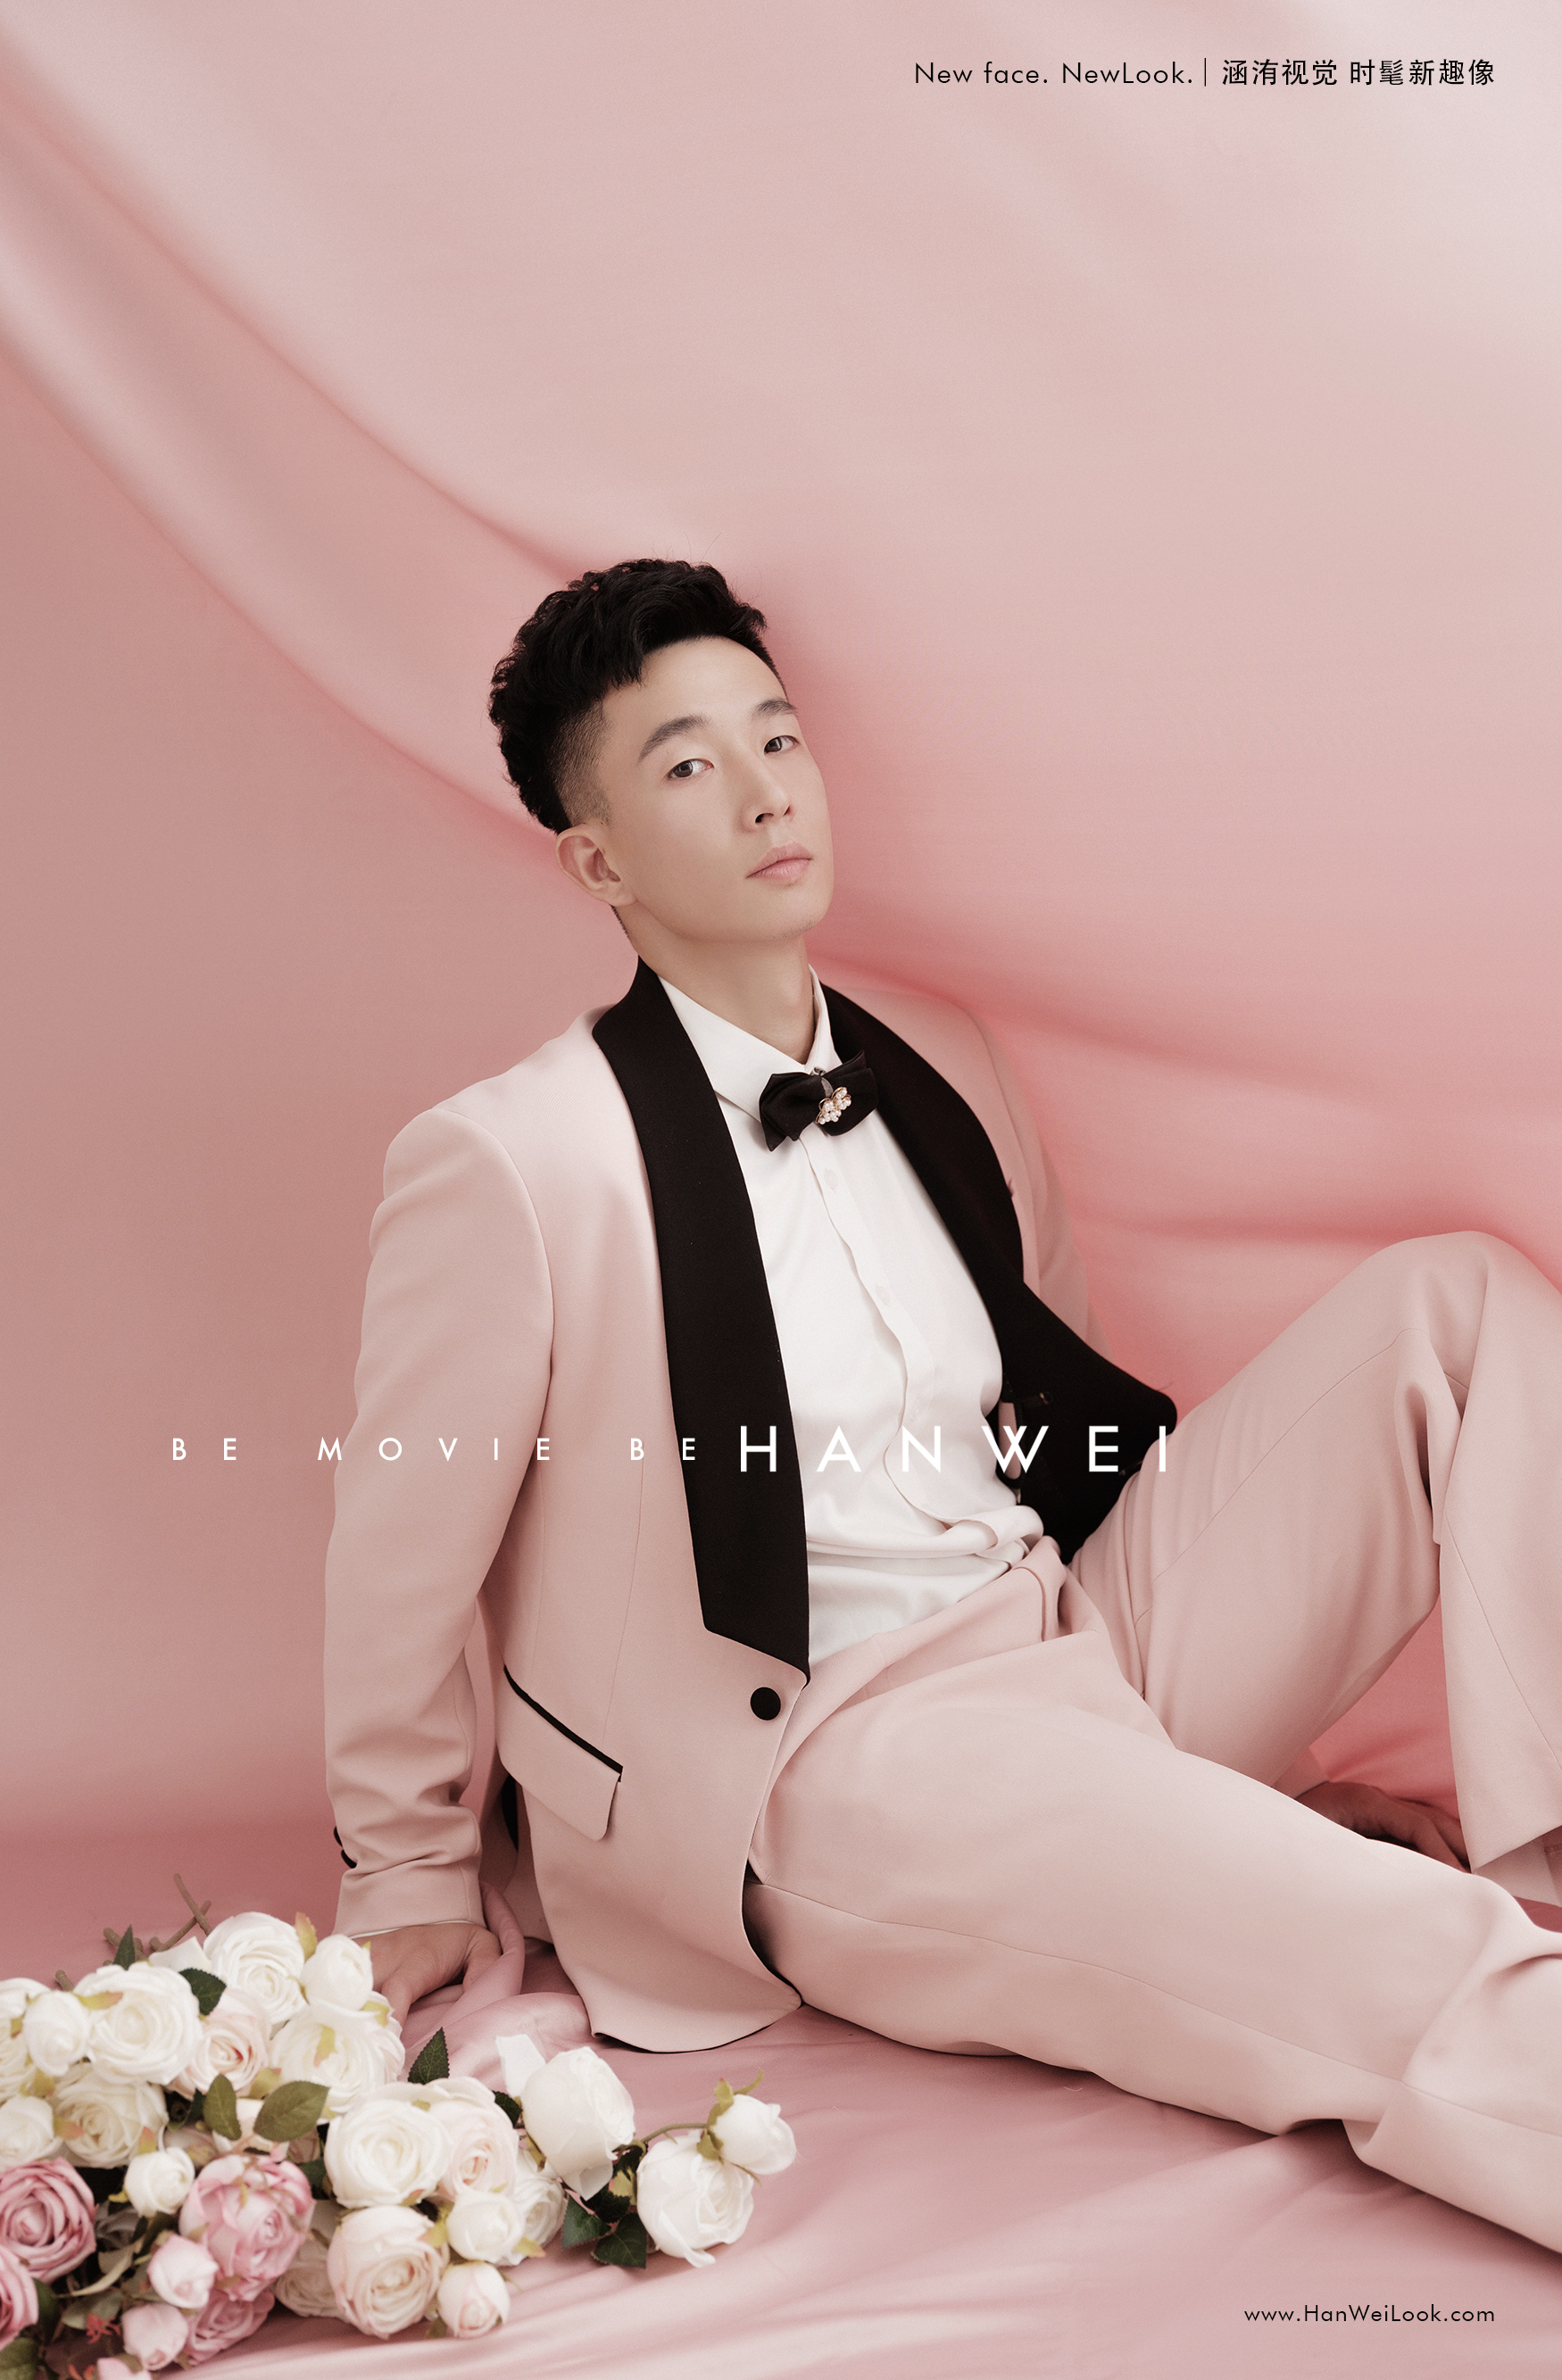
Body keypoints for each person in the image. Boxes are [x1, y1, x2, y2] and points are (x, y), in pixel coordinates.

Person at [325, 558, 1562, 2253]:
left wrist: (1217, 1756)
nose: (767, 792)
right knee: (1384, 1947)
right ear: (596, 860)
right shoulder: (514, 1158)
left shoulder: (939, 1056)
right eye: (690, 764)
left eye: (779, 738)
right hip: (837, 1756)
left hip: (1073, 1630)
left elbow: (1051, 1405)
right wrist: (403, 1873)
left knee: (1462, 1303)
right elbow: (399, 1555)